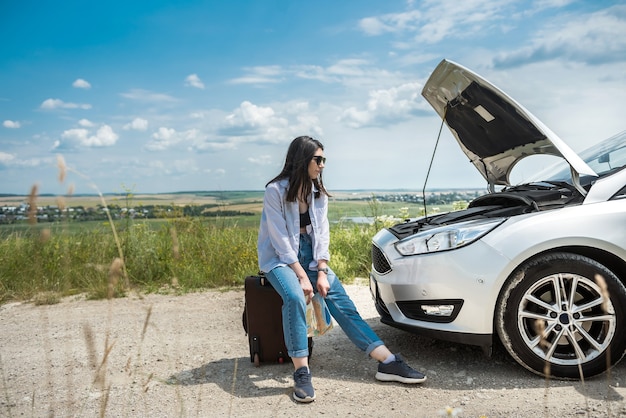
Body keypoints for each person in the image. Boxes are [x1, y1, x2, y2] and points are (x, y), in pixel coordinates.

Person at [257, 135, 427, 403]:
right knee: (294, 296)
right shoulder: (275, 191)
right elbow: (279, 240)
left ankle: (387, 361)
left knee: (340, 300)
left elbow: (322, 234)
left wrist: (321, 271)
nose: (323, 165)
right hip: (280, 259)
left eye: (324, 159)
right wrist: (303, 277)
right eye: (318, 159)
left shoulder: (317, 193)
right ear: (303, 159)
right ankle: (302, 372)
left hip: (311, 254)